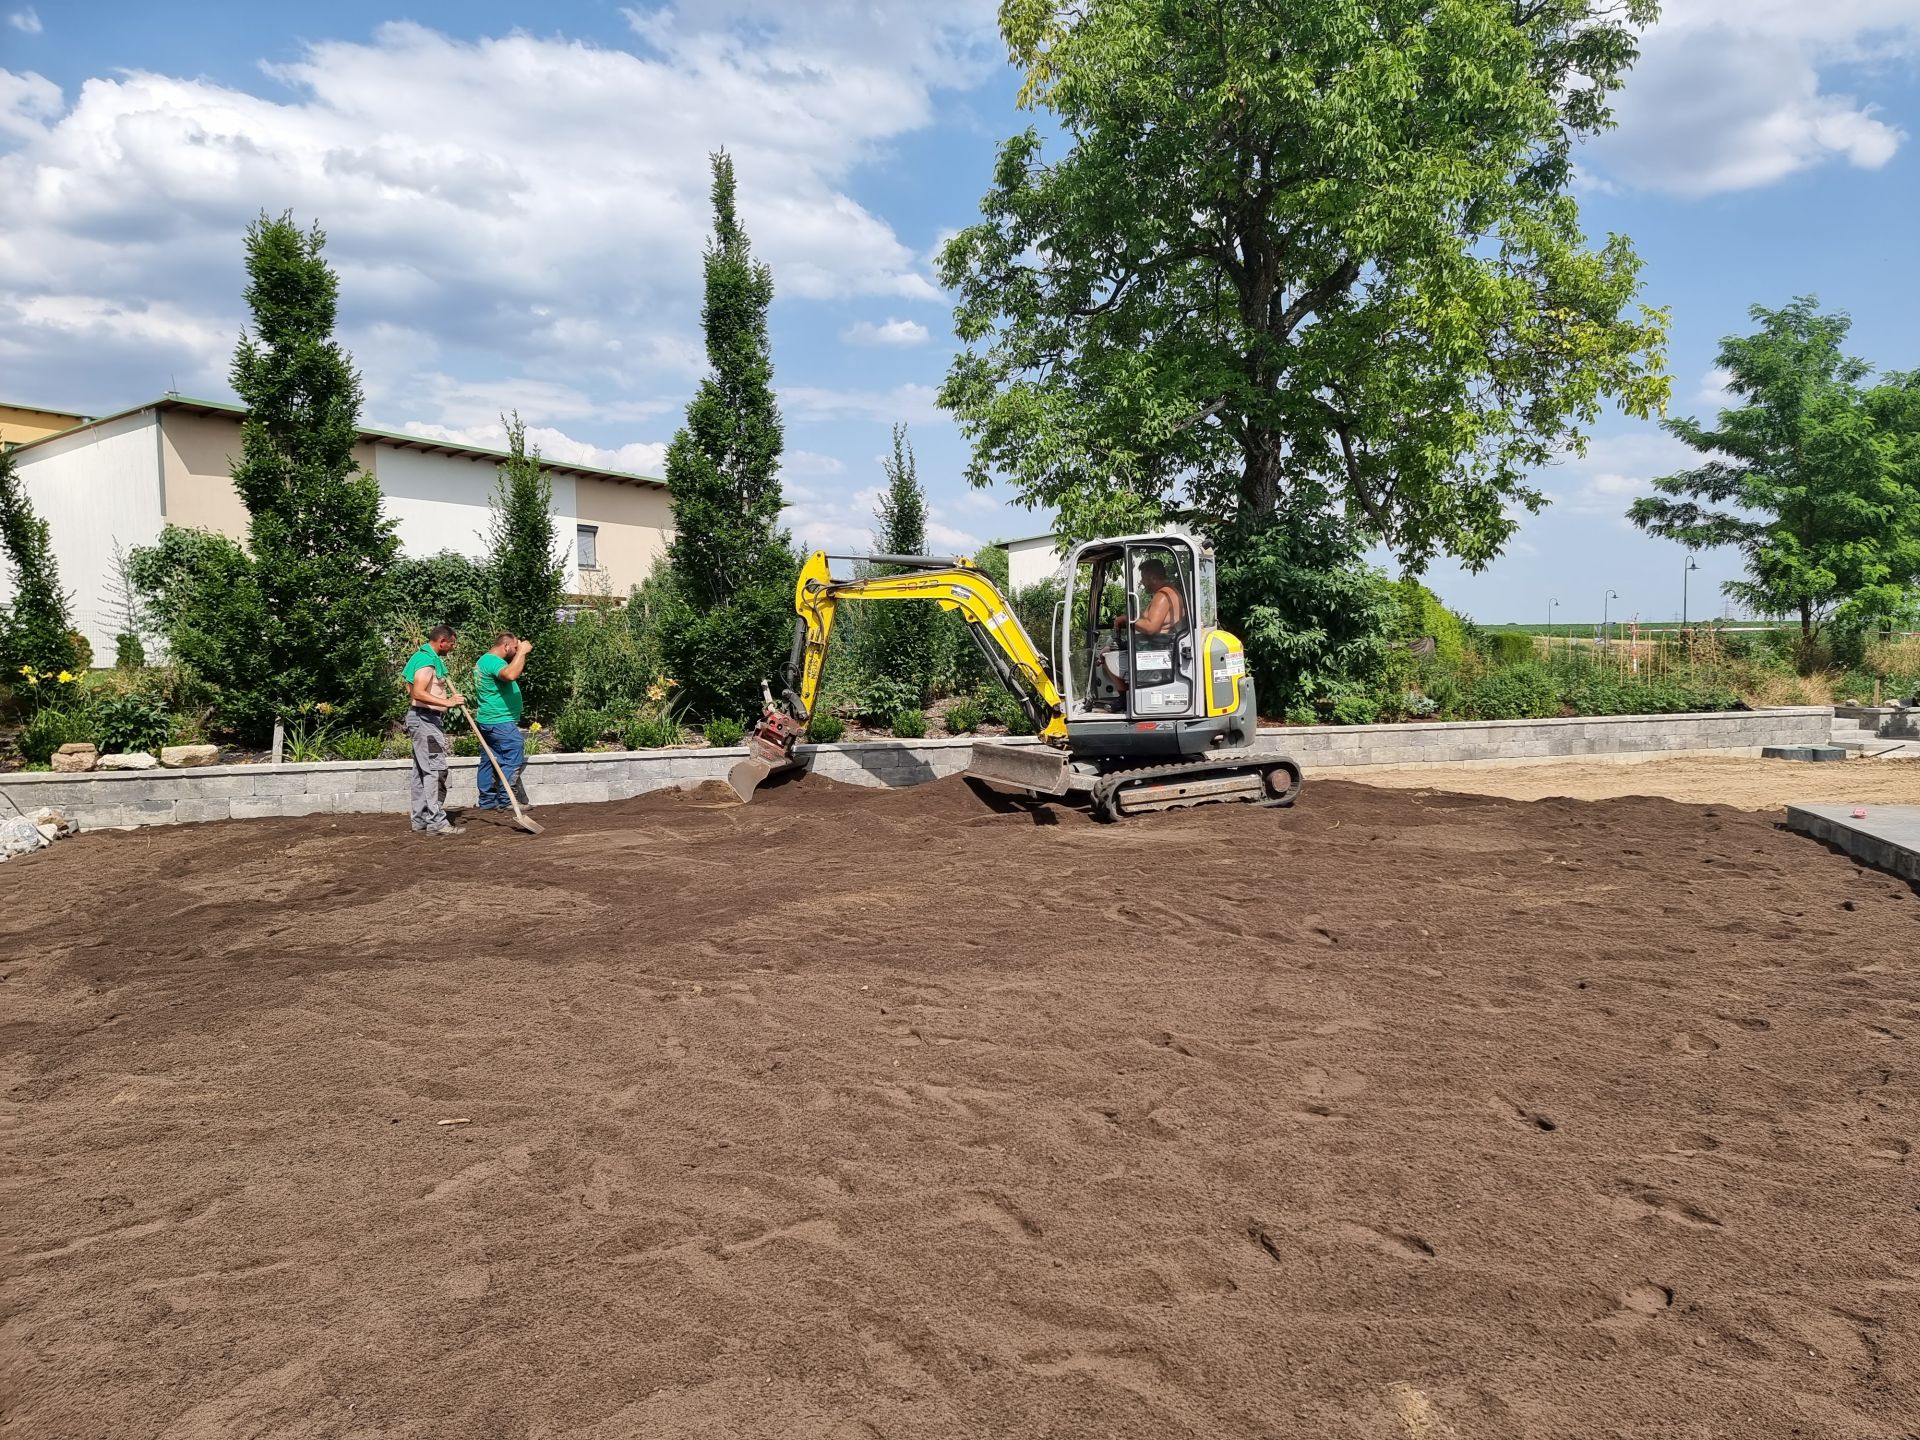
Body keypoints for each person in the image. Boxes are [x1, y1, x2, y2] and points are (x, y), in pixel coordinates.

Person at [402, 625, 466, 836]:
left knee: (421, 771)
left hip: (422, 718)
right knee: (435, 770)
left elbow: (409, 687)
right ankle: (436, 821)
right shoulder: (427, 661)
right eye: (452, 643)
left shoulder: (420, 657)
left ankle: (420, 819)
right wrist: (448, 702)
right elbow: (418, 693)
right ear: (442, 641)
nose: (453, 647)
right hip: (425, 720)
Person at [472, 631, 532, 813]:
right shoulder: (494, 662)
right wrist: (522, 652)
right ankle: (507, 799)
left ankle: (487, 801)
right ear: (505, 646)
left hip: (488, 719)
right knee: (514, 750)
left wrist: (518, 652)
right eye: (514, 647)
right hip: (499, 721)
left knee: (490, 760)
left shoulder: (484, 660)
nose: (516, 650)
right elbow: (510, 675)